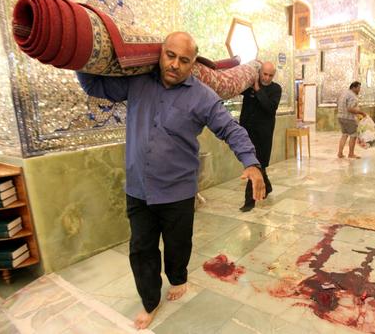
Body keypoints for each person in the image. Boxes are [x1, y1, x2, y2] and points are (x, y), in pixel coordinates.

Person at [76, 32, 266, 330]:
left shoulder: (202, 97)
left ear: (193, 64)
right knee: (141, 249)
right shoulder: (138, 82)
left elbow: (231, 129)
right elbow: (95, 84)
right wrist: (78, 53)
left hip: (177, 191)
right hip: (139, 189)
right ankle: (150, 300)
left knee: (178, 245)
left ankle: (177, 277)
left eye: (184, 60)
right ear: (161, 53)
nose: (175, 64)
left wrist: (251, 163)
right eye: (170, 56)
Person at [238, 62, 282, 212]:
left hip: (263, 134)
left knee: (256, 164)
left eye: (270, 75)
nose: (267, 78)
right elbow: (236, 88)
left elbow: (270, 108)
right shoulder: (249, 85)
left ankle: (249, 202)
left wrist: (258, 90)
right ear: (259, 72)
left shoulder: (276, 89)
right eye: (264, 74)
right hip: (247, 133)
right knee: (258, 164)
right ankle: (267, 186)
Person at [336, 81, 367, 159]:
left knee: (344, 134)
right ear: (354, 87)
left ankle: (340, 153)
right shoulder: (352, 96)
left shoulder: (344, 93)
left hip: (341, 117)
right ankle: (351, 154)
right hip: (349, 118)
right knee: (353, 135)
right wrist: (361, 112)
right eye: (358, 88)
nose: (359, 90)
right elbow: (350, 109)